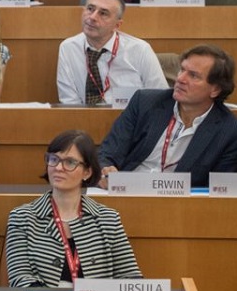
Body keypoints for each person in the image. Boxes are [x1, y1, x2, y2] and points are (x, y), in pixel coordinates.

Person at [6, 130, 142, 288]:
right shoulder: (22, 217)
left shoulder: (108, 219)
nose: (58, 167)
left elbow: (131, 278)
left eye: (69, 162)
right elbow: (20, 279)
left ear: (87, 172)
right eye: (54, 159)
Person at [98, 44, 237, 188]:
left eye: (193, 75)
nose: (180, 79)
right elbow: (108, 153)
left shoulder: (229, 131)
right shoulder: (144, 103)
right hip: (127, 191)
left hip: (180, 200)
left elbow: (219, 190)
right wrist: (105, 170)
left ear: (215, 89)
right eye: (182, 70)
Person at [57, 0, 167, 105]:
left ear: (117, 25)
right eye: (90, 9)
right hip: (82, 116)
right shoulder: (68, 48)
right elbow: (69, 102)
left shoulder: (140, 50)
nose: (93, 17)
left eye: (103, 13)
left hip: (133, 115)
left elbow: (159, 98)